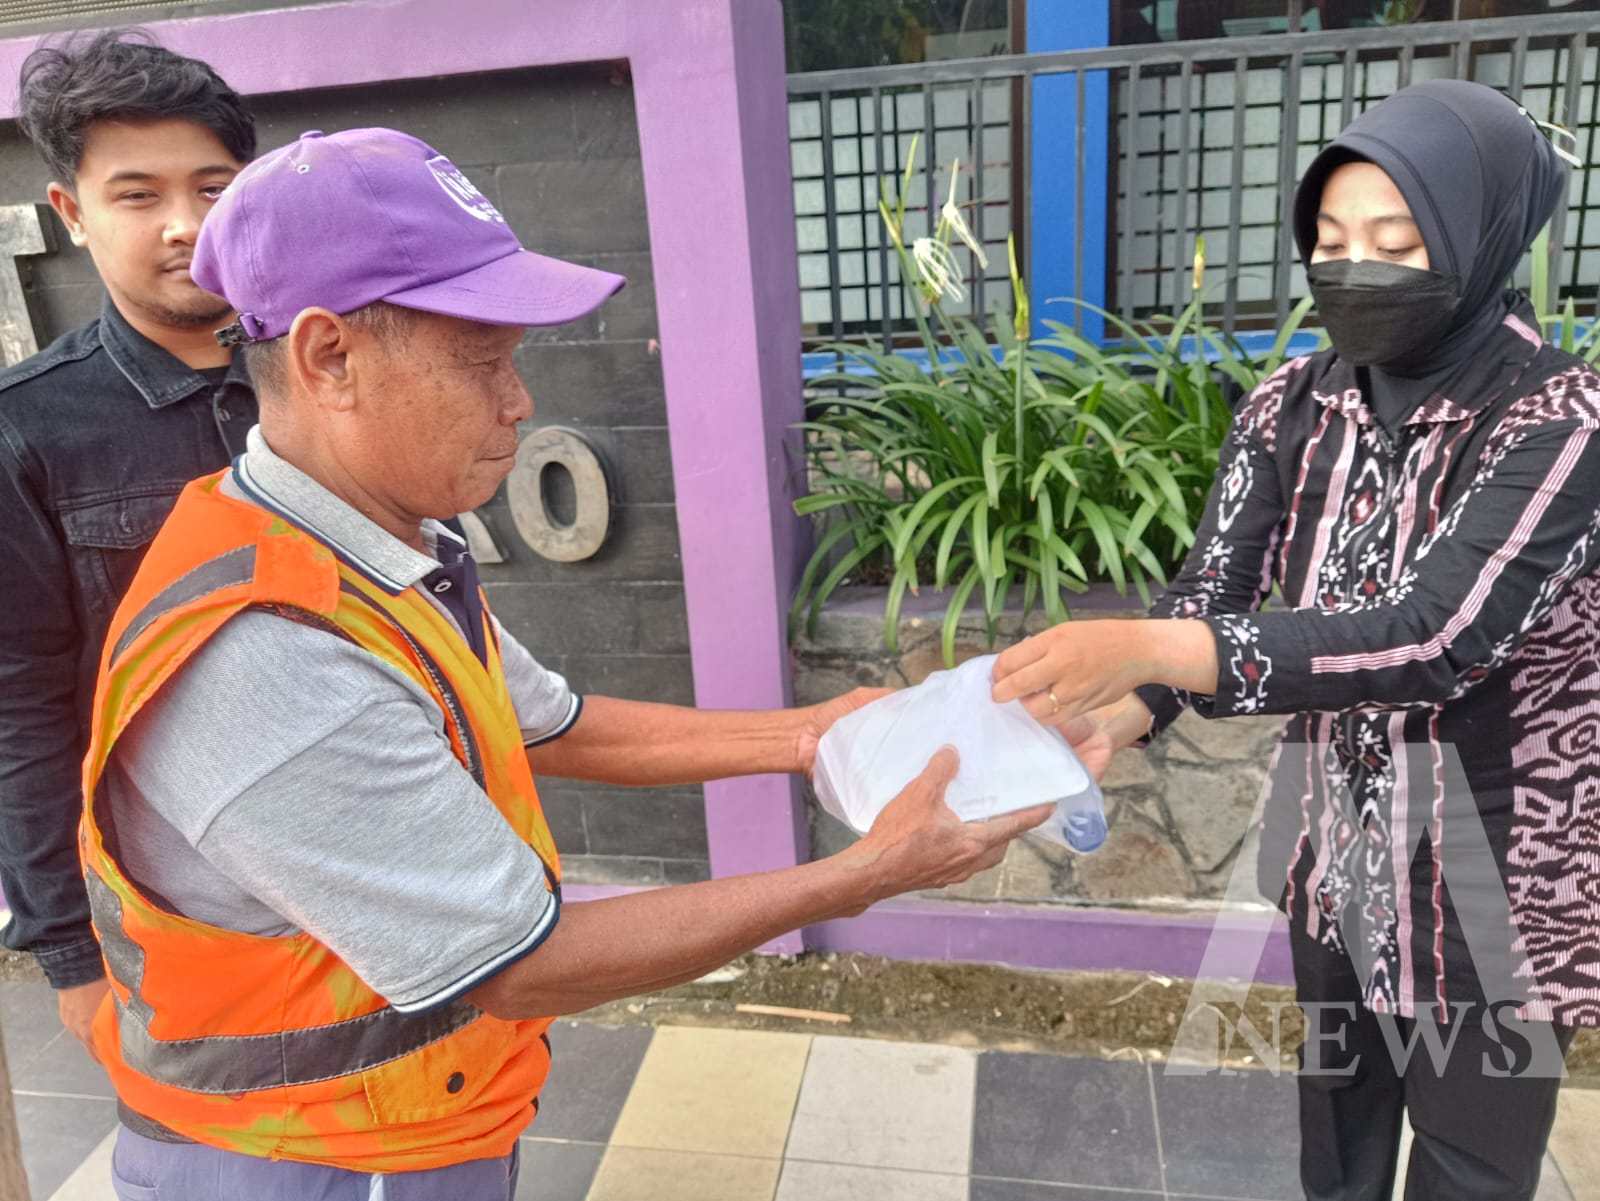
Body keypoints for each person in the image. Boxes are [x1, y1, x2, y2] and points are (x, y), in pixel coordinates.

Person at [85, 126, 1050, 1201]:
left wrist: (808, 734)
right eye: (481, 360)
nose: (519, 401)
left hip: (408, 1124)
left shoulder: (379, 547)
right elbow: (521, 964)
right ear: (329, 358)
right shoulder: (268, 655)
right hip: (305, 1164)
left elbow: (554, 721)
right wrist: (863, 877)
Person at [991, 80, 1595, 1200]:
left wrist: (1149, 653)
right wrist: (1121, 712)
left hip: (1494, 878)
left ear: (1481, 236)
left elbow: (1436, 638)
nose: (1352, 269)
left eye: (1395, 240)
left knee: (1469, 1170)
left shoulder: (1559, 424)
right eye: (1327, 240)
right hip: (1341, 858)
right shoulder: (1291, 404)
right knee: (1337, 1152)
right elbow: (1215, 586)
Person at [0, 31, 257, 1052]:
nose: (185, 226)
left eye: (213, 186)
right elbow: (22, 701)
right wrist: (70, 951)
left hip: (371, 862)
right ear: (74, 212)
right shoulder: (28, 431)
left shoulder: (334, 370)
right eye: (138, 194)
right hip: (172, 906)